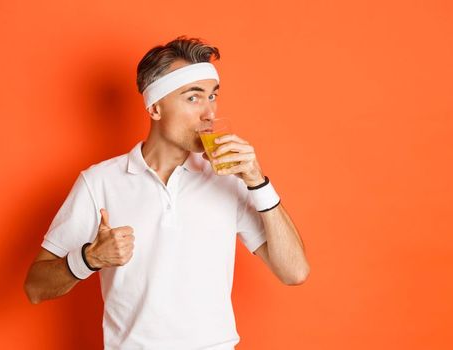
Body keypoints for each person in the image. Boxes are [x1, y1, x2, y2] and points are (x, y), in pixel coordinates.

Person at [23, 36, 310, 349]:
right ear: (155, 108)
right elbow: (35, 287)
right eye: (193, 98)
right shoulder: (100, 182)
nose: (209, 113)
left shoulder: (229, 177)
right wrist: (89, 258)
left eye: (213, 96)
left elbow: (294, 272)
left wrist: (257, 181)